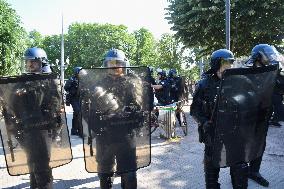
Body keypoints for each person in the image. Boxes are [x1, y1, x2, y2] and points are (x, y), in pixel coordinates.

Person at [0, 47, 62, 189]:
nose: (30, 65)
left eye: (33, 62)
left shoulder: (49, 81)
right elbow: (11, 103)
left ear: (42, 63)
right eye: (28, 62)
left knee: (42, 168)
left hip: (43, 130)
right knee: (32, 164)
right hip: (25, 129)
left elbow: (55, 106)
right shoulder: (22, 82)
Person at [87, 48, 147, 189]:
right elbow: (88, 110)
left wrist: (135, 117)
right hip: (105, 135)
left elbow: (141, 107)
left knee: (130, 174)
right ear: (106, 65)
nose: (114, 66)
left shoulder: (132, 83)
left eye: (117, 63)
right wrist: (96, 126)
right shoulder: (98, 85)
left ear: (124, 64)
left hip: (126, 133)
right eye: (111, 63)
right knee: (105, 173)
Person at [190, 49, 249, 189]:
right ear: (216, 64)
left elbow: (246, 104)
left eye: (230, 62)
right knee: (211, 169)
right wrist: (204, 123)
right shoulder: (204, 84)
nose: (228, 66)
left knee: (240, 167)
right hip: (213, 132)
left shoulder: (237, 83)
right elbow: (194, 110)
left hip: (233, 132)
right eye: (225, 62)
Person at [246, 44, 284, 187]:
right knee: (243, 145)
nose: (270, 58)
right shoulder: (246, 73)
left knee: (260, 144)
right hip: (247, 117)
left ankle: (254, 171)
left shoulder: (274, 73)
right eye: (266, 55)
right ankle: (240, 172)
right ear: (258, 57)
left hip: (264, 117)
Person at [64, 66, 83, 137]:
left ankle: (74, 130)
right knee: (78, 112)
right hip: (73, 98)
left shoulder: (82, 79)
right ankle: (80, 132)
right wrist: (72, 86)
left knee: (76, 114)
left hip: (80, 98)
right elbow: (66, 88)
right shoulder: (72, 79)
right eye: (80, 72)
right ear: (76, 72)